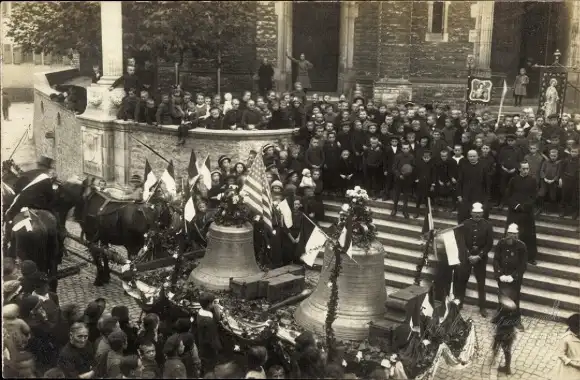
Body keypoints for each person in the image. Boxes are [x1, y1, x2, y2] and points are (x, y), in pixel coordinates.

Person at [454, 202, 494, 317]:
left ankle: (482, 307)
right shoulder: (465, 224)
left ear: (482, 213)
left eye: (479, 213)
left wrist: (479, 256)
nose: (477, 215)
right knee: (462, 280)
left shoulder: (488, 225)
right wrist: (468, 255)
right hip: (467, 258)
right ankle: (459, 303)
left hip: (480, 259)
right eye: (475, 213)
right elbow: (460, 241)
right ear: (471, 213)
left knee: (481, 283)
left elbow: (489, 243)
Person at [493, 223, 527, 331]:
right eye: (510, 233)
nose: (512, 236)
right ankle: (500, 318)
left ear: (517, 235)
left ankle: (516, 320)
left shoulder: (522, 246)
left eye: (514, 234)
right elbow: (496, 260)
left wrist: (514, 276)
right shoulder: (501, 243)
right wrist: (500, 274)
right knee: (502, 297)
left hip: (515, 278)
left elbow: (523, 264)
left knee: (515, 299)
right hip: (502, 275)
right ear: (507, 233)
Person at [505, 161, 538, 265]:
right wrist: (516, 206)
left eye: (527, 168)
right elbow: (508, 195)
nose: (525, 170)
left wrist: (525, 206)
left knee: (528, 235)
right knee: (513, 233)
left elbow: (534, 196)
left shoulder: (533, 180)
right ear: (519, 169)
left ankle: (530, 257)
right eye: (523, 168)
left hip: (527, 212)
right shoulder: (513, 180)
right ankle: (510, 256)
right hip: (514, 212)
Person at [550, 313, 580, 379]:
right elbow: (560, 354)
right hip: (571, 369)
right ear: (575, 328)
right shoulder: (566, 338)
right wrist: (573, 364)